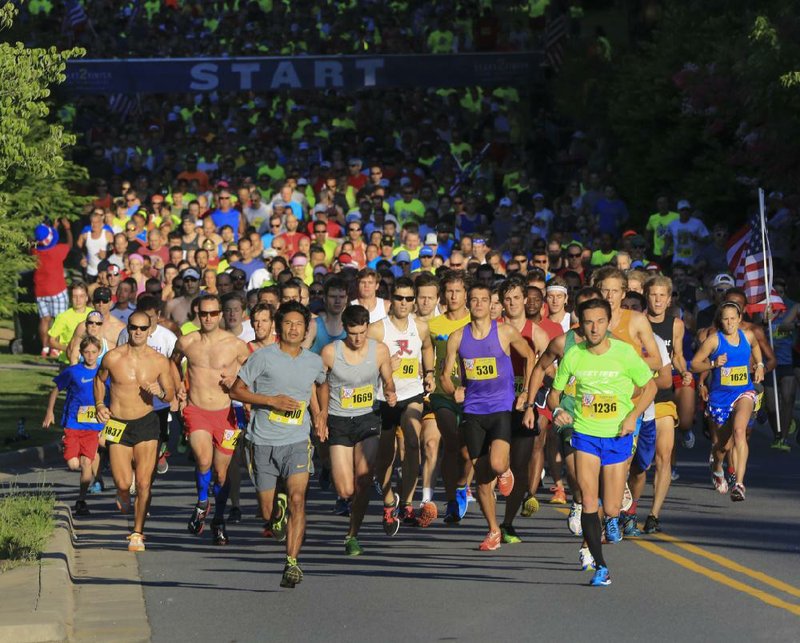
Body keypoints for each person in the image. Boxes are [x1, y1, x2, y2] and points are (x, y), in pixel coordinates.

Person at [548, 298, 656, 586]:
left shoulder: (624, 353)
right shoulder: (574, 355)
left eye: (599, 321)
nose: (594, 328)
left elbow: (650, 386)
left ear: (608, 323)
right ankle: (601, 567)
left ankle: (612, 519)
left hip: (617, 435)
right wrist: (557, 411)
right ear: (580, 325)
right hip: (584, 434)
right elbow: (554, 395)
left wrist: (633, 415)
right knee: (587, 500)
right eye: (588, 322)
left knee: (610, 507)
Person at [230, 301, 328, 588]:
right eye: (288, 323)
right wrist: (271, 400)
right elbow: (236, 390)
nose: (294, 328)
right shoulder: (263, 358)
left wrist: (321, 412)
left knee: (299, 500)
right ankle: (276, 512)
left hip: (297, 440)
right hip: (262, 441)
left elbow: (322, 383)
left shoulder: (313, 361)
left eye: (299, 324)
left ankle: (292, 563)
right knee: (267, 513)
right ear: (278, 326)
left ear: (306, 329)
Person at [440, 282, 535, 550]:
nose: (480, 304)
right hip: (472, 410)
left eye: (485, 299)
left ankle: (504, 471)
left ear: (492, 305)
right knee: (481, 476)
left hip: (501, 408)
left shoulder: (504, 331)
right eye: (475, 299)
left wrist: (526, 391)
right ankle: (493, 530)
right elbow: (445, 376)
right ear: (468, 304)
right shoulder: (458, 337)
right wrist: (453, 391)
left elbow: (529, 355)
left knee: (495, 464)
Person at [172, 294, 250, 545]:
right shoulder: (186, 341)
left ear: (220, 315)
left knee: (221, 471)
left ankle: (218, 519)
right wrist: (178, 389)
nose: (208, 318)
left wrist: (236, 381)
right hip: (197, 410)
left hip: (227, 413)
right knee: (203, 459)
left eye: (213, 314)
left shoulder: (235, 344)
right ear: (198, 313)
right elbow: (171, 365)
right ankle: (202, 502)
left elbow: (252, 372)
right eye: (204, 313)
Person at [94, 311, 175, 552]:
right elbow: (100, 380)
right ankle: (121, 493)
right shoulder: (113, 357)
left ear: (150, 331)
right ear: (128, 329)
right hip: (118, 423)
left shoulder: (159, 361)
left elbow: (170, 394)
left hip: (146, 422)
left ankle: (137, 533)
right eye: (133, 328)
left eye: (142, 328)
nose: (137, 332)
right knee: (121, 482)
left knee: (143, 482)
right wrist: (99, 404)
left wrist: (159, 392)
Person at [319, 305, 397, 556]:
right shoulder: (331, 352)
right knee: (345, 490)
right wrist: (320, 413)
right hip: (339, 420)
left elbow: (387, 377)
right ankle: (339, 487)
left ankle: (352, 535)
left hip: (367, 418)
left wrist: (390, 390)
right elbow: (319, 383)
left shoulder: (379, 350)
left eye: (362, 333)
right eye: (353, 333)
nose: (358, 339)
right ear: (344, 329)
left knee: (363, 479)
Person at [368, 277, 435, 534]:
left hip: (412, 395)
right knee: (384, 457)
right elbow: (360, 362)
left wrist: (428, 372)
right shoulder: (377, 330)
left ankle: (407, 502)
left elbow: (427, 348)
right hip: (383, 398)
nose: (404, 303)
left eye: (409, 298)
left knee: (413, 439)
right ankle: (388, 503)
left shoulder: (420, 326)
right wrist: (384, 367)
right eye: (399, 298)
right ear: (391, 299)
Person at [692, 301, 764, 501]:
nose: (730, 322)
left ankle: (739, 484)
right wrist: (714, 363)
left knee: (740, 432)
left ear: (740, 318)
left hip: (744, 393)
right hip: (720, 399)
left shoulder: (747, 335)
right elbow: (694, 364)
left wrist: (758, 365)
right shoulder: (714, 341)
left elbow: (756, 346)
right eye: (726, 319)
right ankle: (716, 467)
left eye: (734, 318)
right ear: (720, 320)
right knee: (722, 446)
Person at [497, 276, 551, 543]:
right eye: (507, 299)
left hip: (524, 407)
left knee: (519, 466)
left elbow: (551, 369)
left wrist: (531, 391)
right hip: (493, 406)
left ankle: (507, 523)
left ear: (524, 300)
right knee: (494, 463)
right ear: (501, 302)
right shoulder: (493, 329)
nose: (513, 303)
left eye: (517, 298)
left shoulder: (537, 333)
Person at [43, 336, 106, 516]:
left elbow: (113, 393)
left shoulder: (103, 373)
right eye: (87, 352)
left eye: (94, 352)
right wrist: (50, 411)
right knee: (73, 464)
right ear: (81, 353)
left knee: (87, 462)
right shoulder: (73, 372)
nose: (90, 356)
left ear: (99, 352)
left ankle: (81, 500)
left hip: (93, 426)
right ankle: (67, 445)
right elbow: (55, 390)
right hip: (73, 423)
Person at [428, 270, 472, 523]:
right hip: (442, 392)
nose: (453, 296)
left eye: (458, 291)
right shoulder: (434, 326)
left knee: (467, 451)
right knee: (451, 441)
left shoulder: (477, 322)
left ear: (466, 294)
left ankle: (461, 485)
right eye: (449, 291)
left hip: (472, 393)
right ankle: (451, 502)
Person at [33, 220, 73, 357]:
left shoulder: (35, 251)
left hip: (40, 291)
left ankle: (44, 348)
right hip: (57, 290)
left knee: (44, 320)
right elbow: (69, 244)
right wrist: (67, 229)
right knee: (59, 320)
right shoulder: (57, 250)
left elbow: (34, 243)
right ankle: (55, 348)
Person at [67, 287, 125, 363]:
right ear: (93, 303)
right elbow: (70, 351)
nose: (101, 304)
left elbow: (124, 357)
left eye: (104, 301)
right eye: (98, 301)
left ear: (110, 303)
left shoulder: (119, 328)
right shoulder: (83, 326)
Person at [48, 282, 93, 361]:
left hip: (89, 361)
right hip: (67, 361)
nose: (78, 300)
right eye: (75, 297)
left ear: (87, 298)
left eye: (81, 296)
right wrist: (68, 348)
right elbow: (51, 341)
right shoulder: (63, 316)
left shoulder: (93, 314)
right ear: (70, 298)